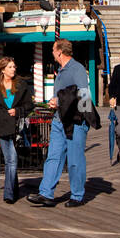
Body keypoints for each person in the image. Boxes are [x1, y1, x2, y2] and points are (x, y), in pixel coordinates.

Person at [28, 39, 98, 207]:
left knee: (75, 159)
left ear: (60, 52)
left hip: (75, 121)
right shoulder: (60, 70)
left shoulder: (77, 69)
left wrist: (59, 101)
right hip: (59, 119)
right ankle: (46, 193)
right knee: (53, 156)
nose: (51, 52)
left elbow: (84, 96)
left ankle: (77, 195)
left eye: (53, 49)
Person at [0, 57, 36, 203]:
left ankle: (11, 190)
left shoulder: (21, 85)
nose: (13, 69)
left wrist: (18, 111)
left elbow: (30, 106)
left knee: (12, 160)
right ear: (3, 70)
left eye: (14, 67)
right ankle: (10, 193)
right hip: (3, 128)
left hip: (18, 128)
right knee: (11, 160)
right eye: (10, 67)